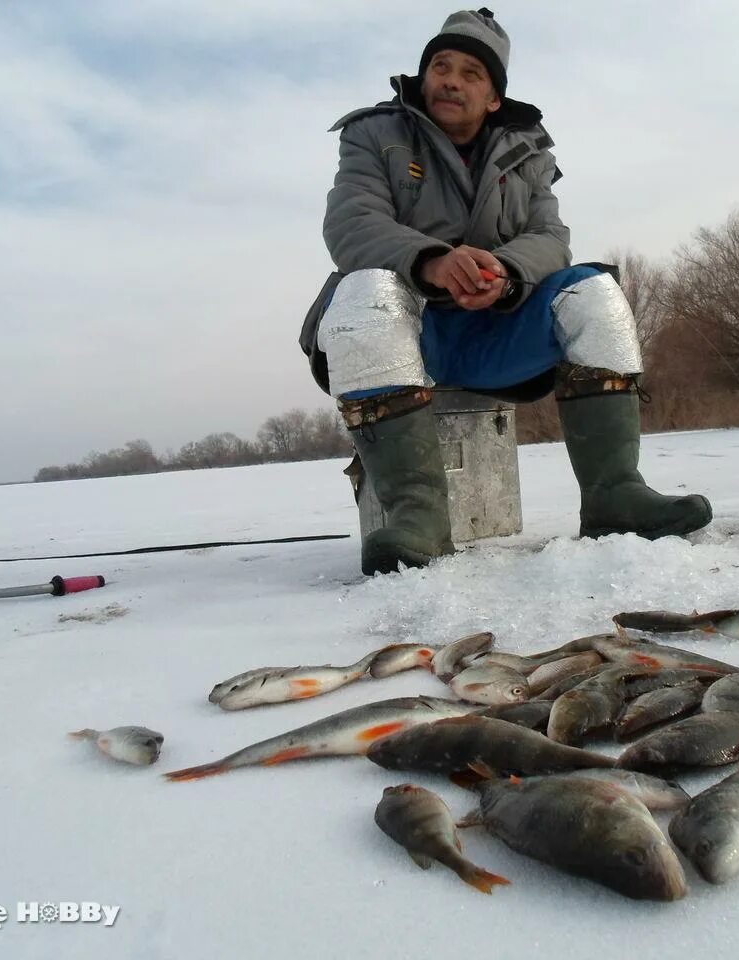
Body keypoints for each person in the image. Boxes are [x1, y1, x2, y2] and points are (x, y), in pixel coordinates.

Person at [300, 7, 712, 576]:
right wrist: (435, 262)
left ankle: (615, 494)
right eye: (440, 66)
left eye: (472, 73)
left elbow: (550, 236)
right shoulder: (374, 134)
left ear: (494, 97)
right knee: (363, 288)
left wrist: (505, 272)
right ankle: (418, 518)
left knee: (594, 291)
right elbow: (352, 224)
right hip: (409, 333)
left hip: (498, 330)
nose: (450, 79)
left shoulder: (529, 152)